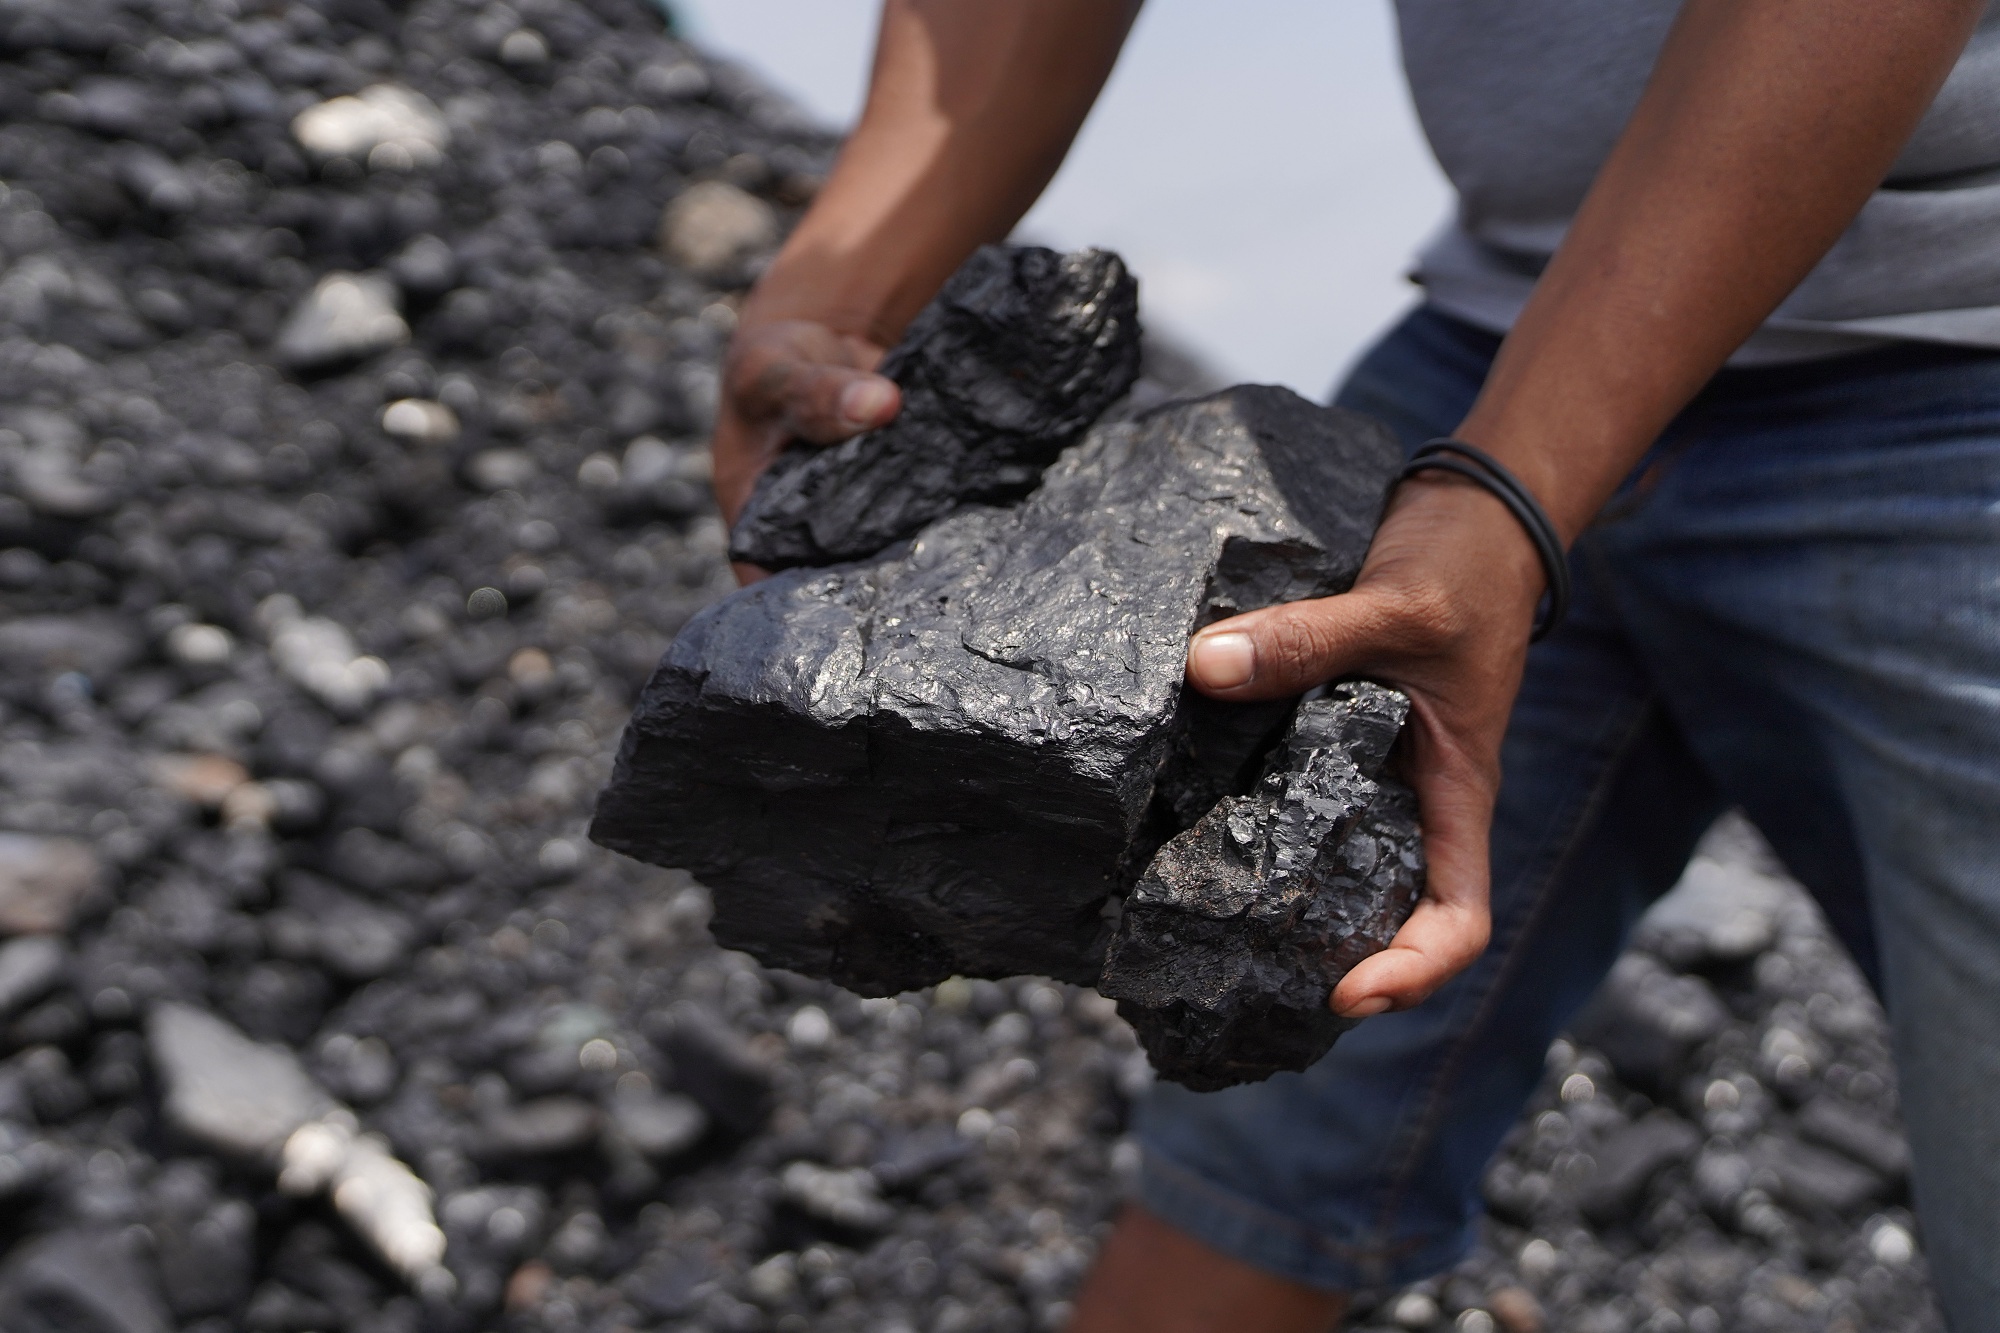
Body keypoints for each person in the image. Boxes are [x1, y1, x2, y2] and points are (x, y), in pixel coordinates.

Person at [707, 2, 2000, 1328]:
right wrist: (837, 301)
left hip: (1960, 357)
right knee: (1255, 1147)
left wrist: (1511, 488)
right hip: (1501, 336)